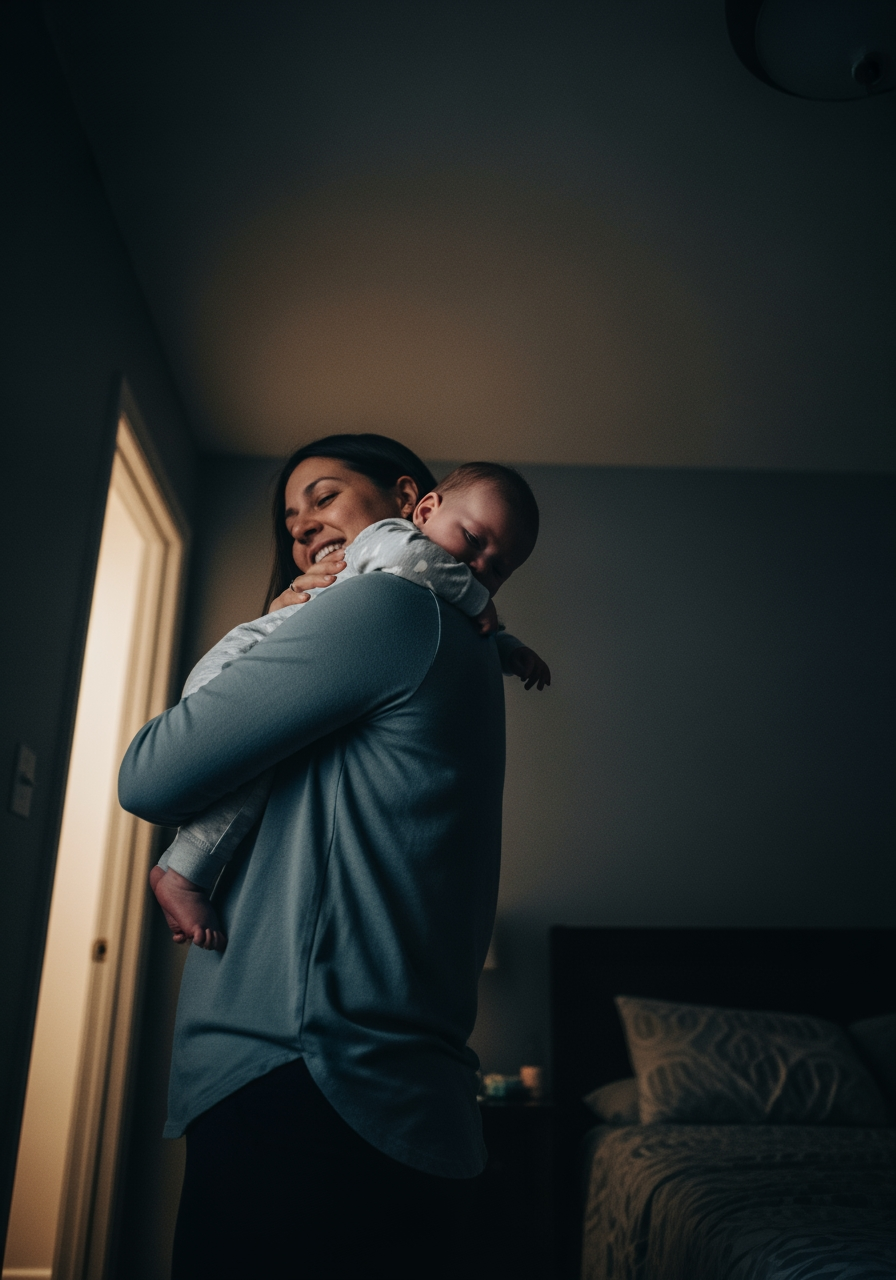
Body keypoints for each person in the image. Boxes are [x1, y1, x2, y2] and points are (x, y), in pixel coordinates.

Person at [118, 434, 542, 1278]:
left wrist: (287, 621)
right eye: (291, 515)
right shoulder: (446, 632)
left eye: (323, 496)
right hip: (386, 1085)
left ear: (408, 500)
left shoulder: (388, 606)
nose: (305, 524)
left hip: (304, 1070)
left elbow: (150, 775)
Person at [151, 459, 550, 951]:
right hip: (242, 658)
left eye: (498, 568)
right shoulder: (391, 542)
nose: (479, 568)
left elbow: (479, 625)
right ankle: (182, 872)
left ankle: (184, 872)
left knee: (260, 778)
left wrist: (510, 650)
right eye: (471, 540)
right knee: (249, 777)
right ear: (424, 510)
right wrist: (478, 601)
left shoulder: (439, 603)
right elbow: (422, 568)